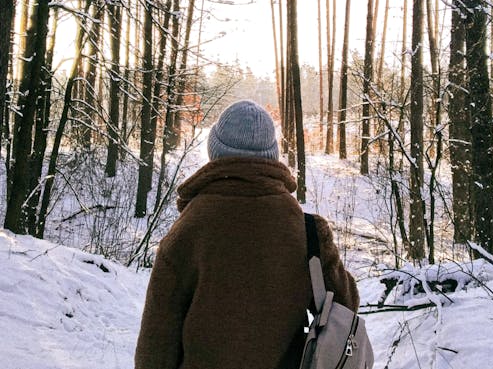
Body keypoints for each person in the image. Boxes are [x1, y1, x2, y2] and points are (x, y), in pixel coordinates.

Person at [135, 100, 359, 369]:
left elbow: (156, 343)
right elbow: (346, 307)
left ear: (215, 152)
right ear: (272, 156)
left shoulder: (187, 230)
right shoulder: (307, 230)